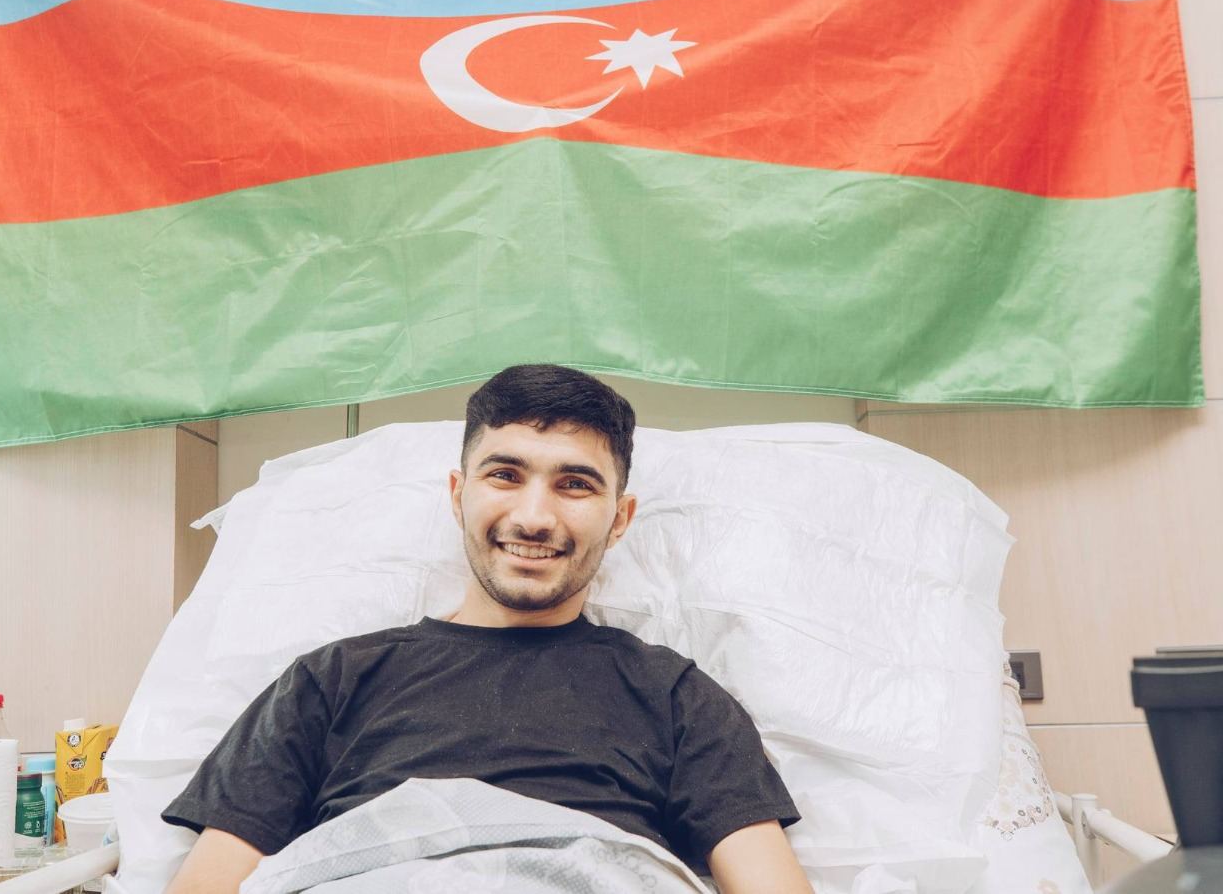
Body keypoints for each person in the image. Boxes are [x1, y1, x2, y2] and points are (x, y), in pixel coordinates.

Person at [164, 364, 814, 894]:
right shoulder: (328, 681)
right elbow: (209, 882)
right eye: (505, 475)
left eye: (575, 485)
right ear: (458, 494)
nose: (534, 517)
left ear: (619, 519)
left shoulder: (677, 697)